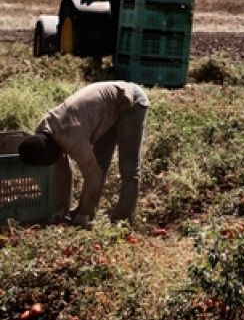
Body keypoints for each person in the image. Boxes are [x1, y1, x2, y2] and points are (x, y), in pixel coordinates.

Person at [18, 81, 149, 227]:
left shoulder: (73, 138)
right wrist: (61, 209)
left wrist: (83, 215)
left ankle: (122, 220)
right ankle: (85, 211)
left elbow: (93, 176)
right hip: (106, 108)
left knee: (129, 167)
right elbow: (62, 170)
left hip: (129, 102)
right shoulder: (43, 129)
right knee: (99, 162)